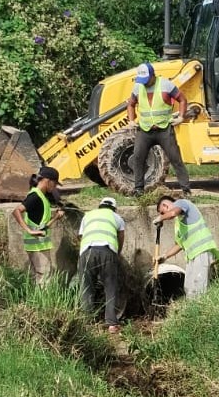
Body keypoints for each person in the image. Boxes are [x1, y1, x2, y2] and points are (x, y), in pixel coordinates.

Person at [126, 62, 191, 197]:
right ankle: (139, 189)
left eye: (146, 79)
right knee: (138, 158)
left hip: (164, 129)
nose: (144, 83)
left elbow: (182, 100)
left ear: (152, 76)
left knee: (175, 159)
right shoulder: (138, 87)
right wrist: (131, 120)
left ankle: (186, 189)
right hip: (145, 129)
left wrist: (181, 117)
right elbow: (131, 104)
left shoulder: (166, 85)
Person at [153, 194, 218, 298]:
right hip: (192, 256)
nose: (163, 215)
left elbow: (173, 212)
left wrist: (161, 218)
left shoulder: (181, 203)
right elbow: (179, 245)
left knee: (199, 289)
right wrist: (164, 256)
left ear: (165, 205)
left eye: (162, 212)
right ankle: (192, 312)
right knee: (189, 289)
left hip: (201, 251)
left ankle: (201, 311)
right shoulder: (178, 223)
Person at [77, 196, 125, 334]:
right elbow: (121, 237)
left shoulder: (88, 215)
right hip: (107, 251)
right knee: (110, 287)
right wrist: (117, 253)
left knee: (86, 287)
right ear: (114, 208)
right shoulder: (117, 218)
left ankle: (87, 323)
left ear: (100, 206)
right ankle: (111, 324)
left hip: (87, 251)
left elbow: (80, 236)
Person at [12, 165, 65, 285]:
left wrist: (56, 217)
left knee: (41, 276)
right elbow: (16, 211)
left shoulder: (42, 197)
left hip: (40, 245)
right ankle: (43, 303)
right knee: (44, 276)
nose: (55, 187)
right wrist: (29, 231)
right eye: (55, 183)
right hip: (36, 246)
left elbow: (42, 226)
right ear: (47, 181)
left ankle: (38, 301)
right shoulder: (35, 196)